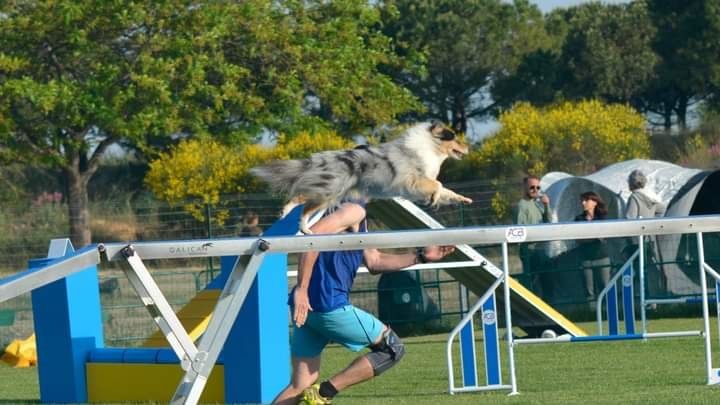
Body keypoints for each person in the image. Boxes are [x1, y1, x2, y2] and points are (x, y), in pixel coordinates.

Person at [272, 200, 455, 405]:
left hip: (306, 310)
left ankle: (319, 392)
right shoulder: (354, 209)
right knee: (392, 348)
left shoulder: (351, 212)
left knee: (300, 385)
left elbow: (375, 261)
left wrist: (421, 256)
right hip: (328, 305)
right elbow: (312, 237)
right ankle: (325, 392)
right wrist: (302, 288)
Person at [513, 175, 552, 297]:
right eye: (532, 187)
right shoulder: (522, 206)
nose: (535, 190)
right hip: (529, 251)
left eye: (538, 187)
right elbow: (519, 230)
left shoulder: (537, 204)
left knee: (545, 281)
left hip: (540, 250)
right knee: (534, 284)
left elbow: (549, 222)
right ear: (525, 187)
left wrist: (547, 205)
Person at [574, 191, 611, 300]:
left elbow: (604, 237)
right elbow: (578, 239)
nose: (583, 203)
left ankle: (607, 309)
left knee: (605, 288)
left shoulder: (602, 218)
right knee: (588, 291)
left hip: (601, 257)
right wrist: (594, 238)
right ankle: (591, 309)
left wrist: (588, 238)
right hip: (586, 258)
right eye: (582, 201)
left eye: (586, 200)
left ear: (595, 202)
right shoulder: (579, 219)